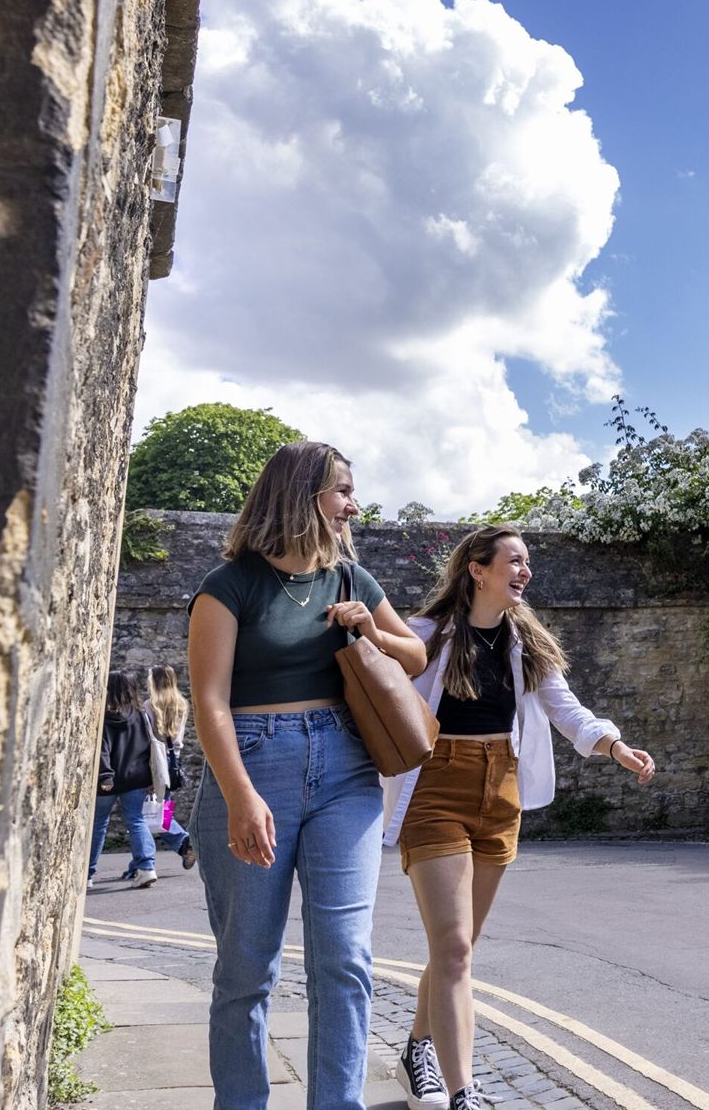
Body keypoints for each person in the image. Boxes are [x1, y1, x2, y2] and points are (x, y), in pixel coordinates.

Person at [187, 440, 426, 1110]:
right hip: (253, 763)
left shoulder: (352, 579)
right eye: (343, 490)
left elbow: (416, 652)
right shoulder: (228, 584)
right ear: (303, 495)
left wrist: (369, 631)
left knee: (345, 959)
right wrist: (239, 794)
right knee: (245, 969)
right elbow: (208, 699)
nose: (354, 503)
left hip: (346, 770)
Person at [385, 525, 655, 1110]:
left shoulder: (526, 642)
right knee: (454, 947)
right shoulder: (426, 635)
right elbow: (377, 695)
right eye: (514, 559)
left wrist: (613, 745)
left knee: (458, 946)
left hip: (500, 793)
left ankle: (417, 1050)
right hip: (436, 790)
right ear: (477, 569)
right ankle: (465, 1092)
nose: (525, 570)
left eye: (527, 561)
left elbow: (567, 710)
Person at [89, 669, 165, 889]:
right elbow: (147, 748)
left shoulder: (104, 716)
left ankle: (87, 874)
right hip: (136, 779)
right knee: (136, 820)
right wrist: (151, 777)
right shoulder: (140, 714)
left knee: (98, 824)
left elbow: (103, 748)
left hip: (109, 780)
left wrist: (105, 775)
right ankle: (146, 867)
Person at [149, 663, 197, 870]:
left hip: (154, 761)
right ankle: (140, 862)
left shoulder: (148, 706)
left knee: (148, 812)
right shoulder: (182, 704)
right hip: (173, 761)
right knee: (162, 807)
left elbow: (148, 738)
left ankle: (183, 841)